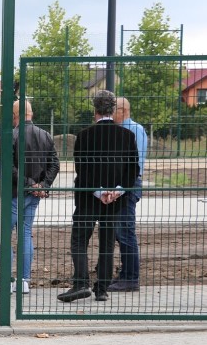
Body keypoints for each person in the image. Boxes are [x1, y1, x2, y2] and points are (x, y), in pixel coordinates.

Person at [58, 90, 139, 303]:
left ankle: (81, 283)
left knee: (79, 240)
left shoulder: (84, 136)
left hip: (88, 198)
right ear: (113, 110)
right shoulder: (127, 136)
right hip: (115, 200)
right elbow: (133, 170)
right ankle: (102, 289)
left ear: (94, 110)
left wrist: (99, 191)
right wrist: (116, 191)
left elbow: (81, 169)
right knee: (106, 242)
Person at [0, 100, 60, 295]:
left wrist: (29, 183)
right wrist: (43, 185)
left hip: (14, 194)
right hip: (34, 195)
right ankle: (24, 281)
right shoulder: (45, 135)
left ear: (14, 115)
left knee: (3, 236)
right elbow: (55, 164)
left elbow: (7, 167)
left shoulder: (12, 135)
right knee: (25, 234)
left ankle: (6, 280)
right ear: (31, 113)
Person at [109, 97, 148, 292]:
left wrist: (120, 189)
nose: (110, 114)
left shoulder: (135, 131)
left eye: (112, 110)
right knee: (120, 231)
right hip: (121, 186)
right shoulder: (122, 131)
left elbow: (135, 165)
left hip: (129, 186)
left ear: (122, 111)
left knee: (126, 232)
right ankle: (125, 274)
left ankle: (131, 278)